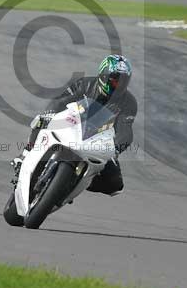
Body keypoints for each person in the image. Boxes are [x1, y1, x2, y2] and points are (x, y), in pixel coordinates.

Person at [14, 54, 137, 196]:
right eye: (115, 82)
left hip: (98, 141)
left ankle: (78, 181)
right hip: (71, 124)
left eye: (123, 82)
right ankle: (25, 154)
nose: (118, 86)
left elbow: (125, 129)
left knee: (115, 185)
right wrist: (50, 113)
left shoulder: (129, 102)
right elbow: (61, 100)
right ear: (103, 76)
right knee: (41, 120)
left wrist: (116, 149)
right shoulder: (85, 84)